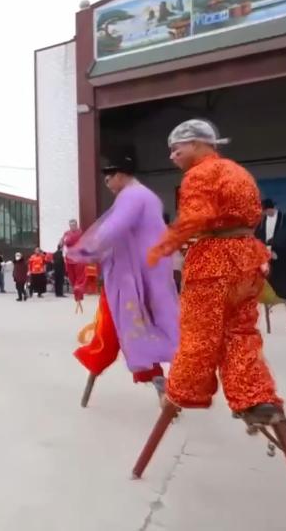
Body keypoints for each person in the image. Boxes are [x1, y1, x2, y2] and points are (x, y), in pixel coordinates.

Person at [147, 118, 281, 423]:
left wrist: (159, 249)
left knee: (199, 330)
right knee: (241, 331)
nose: (172, 156)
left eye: (176, 149)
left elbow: (195, 217)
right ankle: (255, 396)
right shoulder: (239, 172)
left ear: (197, 144)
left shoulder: (199, 174)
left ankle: (185, 390)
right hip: (247, 260)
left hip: (214, 261)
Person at [69, 154, 179, 392]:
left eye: (109, 177)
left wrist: (83, 251)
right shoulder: (149, 197)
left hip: (131, 276)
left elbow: (112, 229)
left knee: (118, 326)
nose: (107, 183)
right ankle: (156, 376)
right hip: (151, 274)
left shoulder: (131, 196)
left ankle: (154, 377)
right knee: (147, 323)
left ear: (120, 175)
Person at [255, 198, 286, 301]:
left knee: (282, 275)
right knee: (266, 274)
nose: (264, 213)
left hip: (281, 252)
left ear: (271, 208)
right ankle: (268, 296)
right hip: (265, 252)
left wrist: (275, 248)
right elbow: (258, 235)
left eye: (265, 211)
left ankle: (284, 295)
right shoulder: (262, 220)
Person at [60, 219, 86, 303]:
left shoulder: (80, 233)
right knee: (72, 278)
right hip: (69, 259)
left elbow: (70, 241)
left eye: (74, 225)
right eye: (71, 225)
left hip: (79, 259)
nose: (72, 227)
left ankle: (79, 295)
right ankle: (77, 295)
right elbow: (62, 242)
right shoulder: (66, 233)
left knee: (80, 279)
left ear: (76, 225)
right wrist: (61, 242)